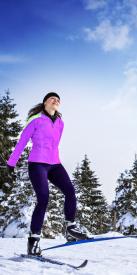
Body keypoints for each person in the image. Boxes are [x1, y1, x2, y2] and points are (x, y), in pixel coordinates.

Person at [6, 92, 91, 256]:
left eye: (58, 100)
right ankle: (34, 241)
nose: (56, 101)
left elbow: (54, 144)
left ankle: (70, 228)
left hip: (55, 164)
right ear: (45, 102)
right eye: (52, 98)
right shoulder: (35, 119)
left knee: (70, 191)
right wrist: (12, 162)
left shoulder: (60, 123)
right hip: (37, 163)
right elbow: (23, 141)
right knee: (43, 198)